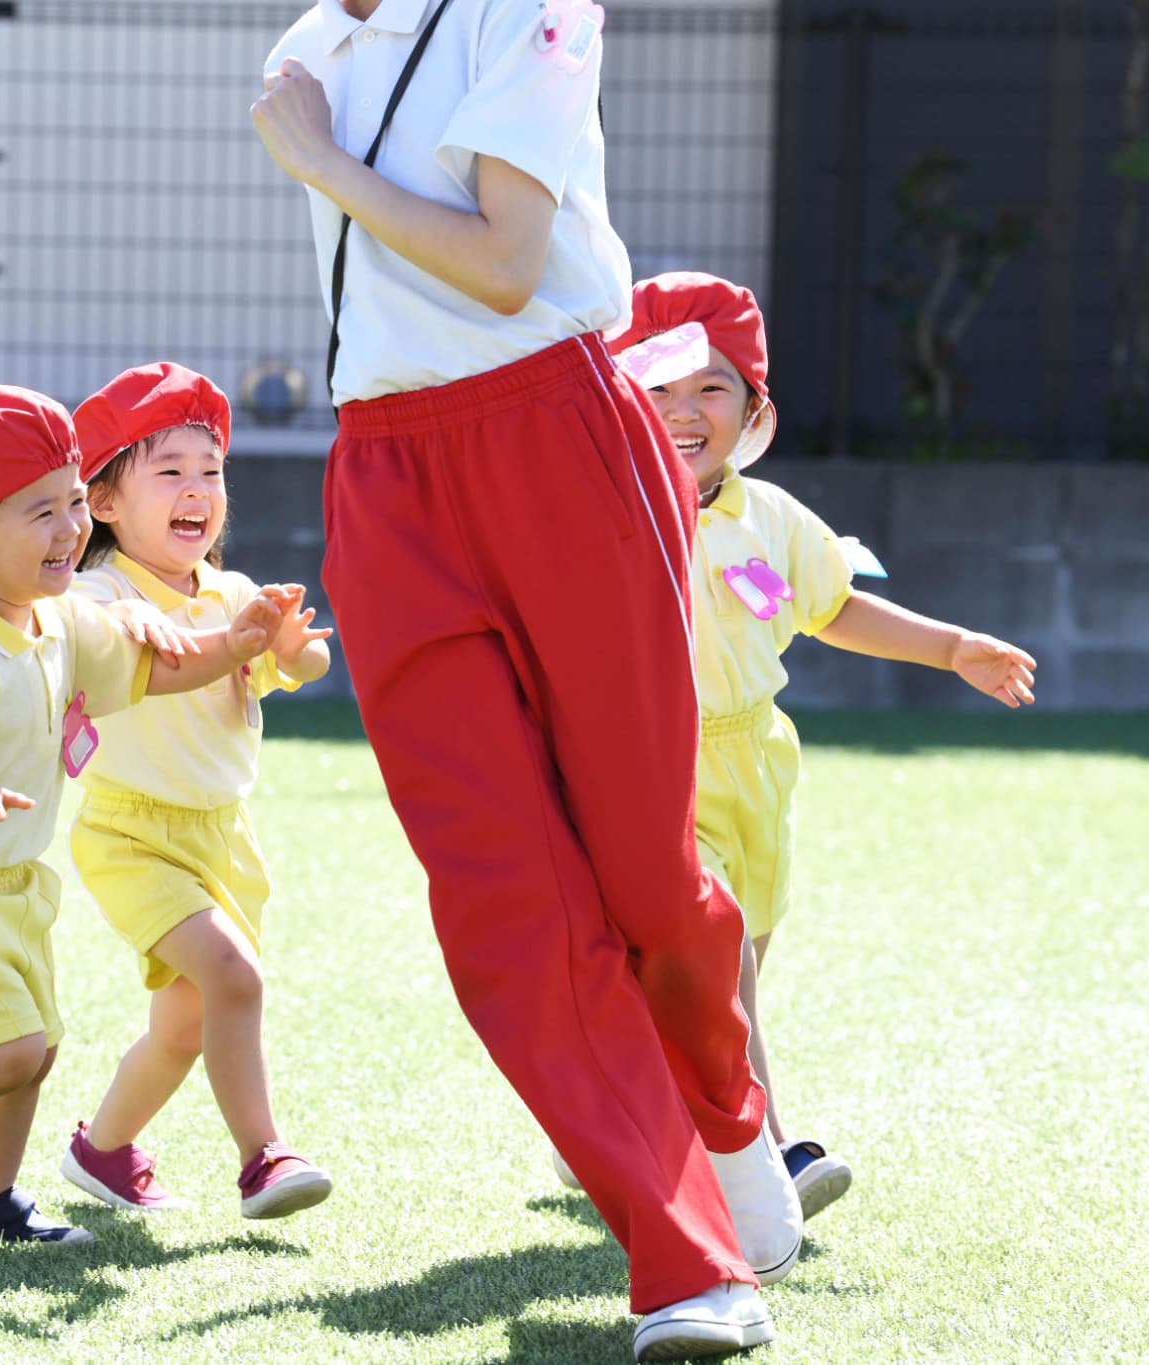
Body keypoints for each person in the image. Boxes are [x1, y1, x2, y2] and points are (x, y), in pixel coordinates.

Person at [251, 3, 801, 1358]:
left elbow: (505, 265)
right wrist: (304, 125)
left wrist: (316, 160)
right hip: (382, 470)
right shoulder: (303, 49)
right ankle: (684, 1257)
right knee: (504, 898)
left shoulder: (534, 10)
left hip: (558, 431)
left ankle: (731, 1116)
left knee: (641, 876)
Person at [0, 386, 324, 1247]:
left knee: (31, 1047)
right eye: (44, 510)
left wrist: (239, 645)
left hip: (10, 873)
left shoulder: (58, 614)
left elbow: (153, 671)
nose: (73, 526)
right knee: (3, 1050)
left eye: (74, 501)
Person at [570, 271, 1038, 1219]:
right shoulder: (600, 509)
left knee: (730, 969)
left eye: (712, 387)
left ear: (755, 413)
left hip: (757, 769)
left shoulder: (768, 519)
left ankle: (613, 1124)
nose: (684, 408)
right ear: (621, 400)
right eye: (657, 387)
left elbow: (832, 607)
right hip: (648, 764)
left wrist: (952, 648)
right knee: (715, 949)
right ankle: (771, 1150)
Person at [57, 363, 335, 1220]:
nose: (197, 490)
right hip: (133, 836)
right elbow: (109, 640)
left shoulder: (232, 593)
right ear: (103, 502)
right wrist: (171, 633)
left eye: (210, 471)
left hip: (225, 837)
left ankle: (99, 1151)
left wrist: (288, 648)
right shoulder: (97, 592)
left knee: (183, 1021)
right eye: (169, 470)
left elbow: (306, 663)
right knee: (234, 976)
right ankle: (263, 1156)